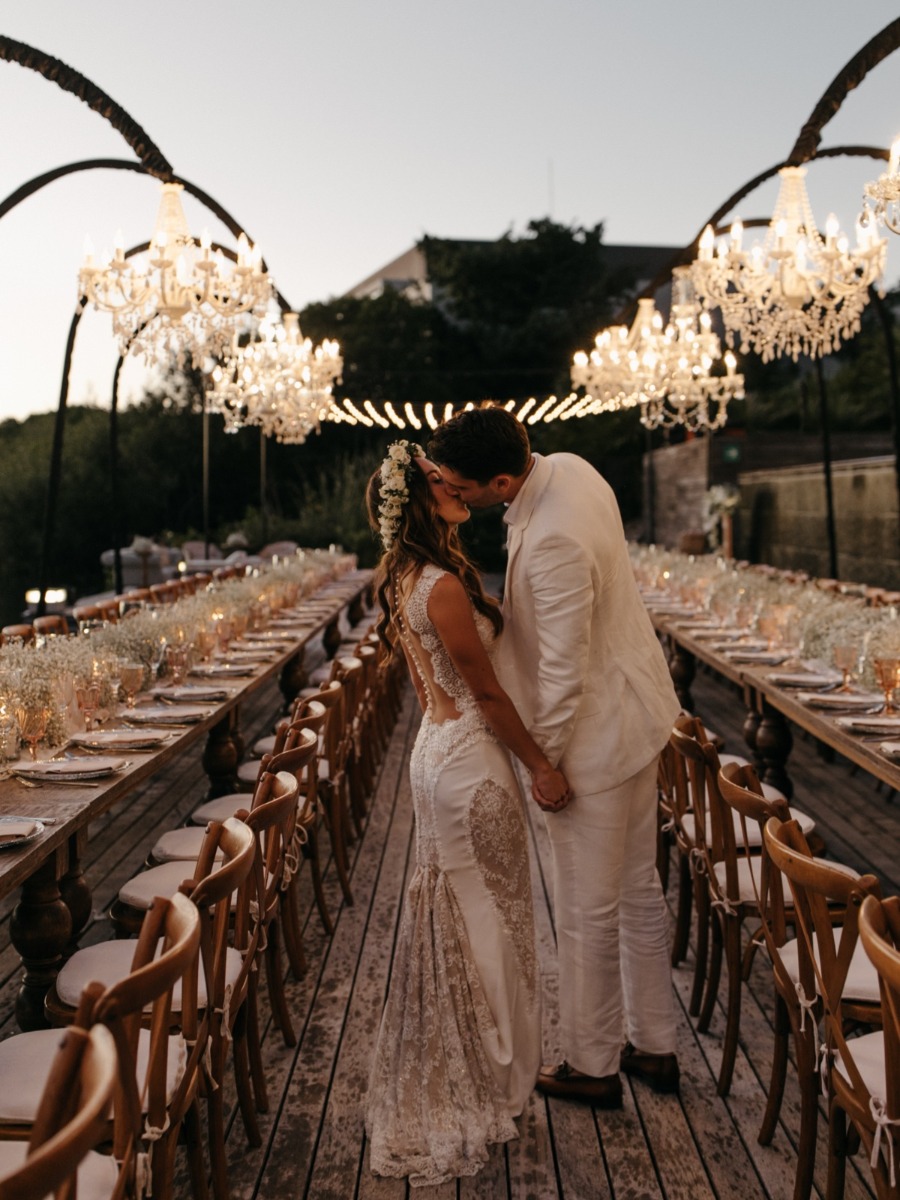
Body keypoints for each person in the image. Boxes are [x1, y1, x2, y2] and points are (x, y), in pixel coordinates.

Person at [429, 405, 681, 1108]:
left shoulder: (554, 543)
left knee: (586, 908)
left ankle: (593, 1064)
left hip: (599, 740)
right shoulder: (570, 466)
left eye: (461, 485)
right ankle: (656, 1047)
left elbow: (563, 676)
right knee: (637, 892)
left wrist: (547, 765)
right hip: (638, 717)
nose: (456, 495)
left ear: (502, 478)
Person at [363, 439, 570, 1187]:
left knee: (471, 915)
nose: (451, 483)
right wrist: (540, 764)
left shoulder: (408, 580)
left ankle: (488, 1067)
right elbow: (485, 694)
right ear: (421, 500)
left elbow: (431, 692)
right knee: (495, 918)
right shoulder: (443, 586)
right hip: (471, 764)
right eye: (436, 480)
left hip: (437, 750)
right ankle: (496, 1077)